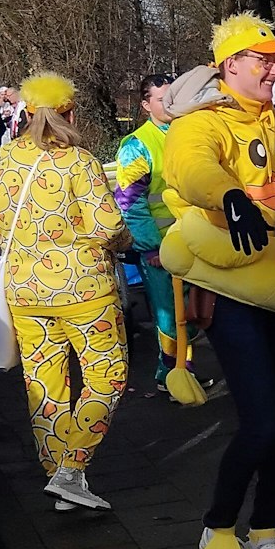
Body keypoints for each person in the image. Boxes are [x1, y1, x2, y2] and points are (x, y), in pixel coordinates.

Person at [166, 14, 275, 549]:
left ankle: (263, 532)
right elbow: (189, 168)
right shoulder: (204, 123)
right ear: (229, 65)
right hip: (235, 292)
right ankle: (217, 531)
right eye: (263, 58)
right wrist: (229, 194)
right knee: (260, 419)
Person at [0, 72, 129, 513]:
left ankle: (59, 478)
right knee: (107, 375)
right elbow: (107, 226)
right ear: (68, 112)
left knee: (45, 384)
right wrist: (123, 243)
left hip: (23, 289)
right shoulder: (78, 162)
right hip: (84, 290)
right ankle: (71, 469)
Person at [114, 72, 194, 391]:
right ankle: (170, 375)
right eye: (163, 100)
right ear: (146, 105)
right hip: (161, 248)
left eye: (173, 96)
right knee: (169, 316)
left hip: (194, 241)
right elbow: (130, 204)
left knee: (190, 313)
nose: (171, 104)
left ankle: (183, 371)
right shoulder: (137, 145)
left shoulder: (188, 133)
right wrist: (152, 247)